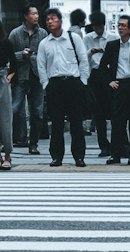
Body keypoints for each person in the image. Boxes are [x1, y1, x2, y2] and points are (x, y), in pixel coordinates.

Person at [36, 6, 89, 166]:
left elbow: (84, 61)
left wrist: (83, 82)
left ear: (60, 20)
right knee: (57, 123)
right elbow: (41, 67)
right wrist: (46, 85)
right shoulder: (44, 43)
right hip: (55, 85)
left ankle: (79, 156)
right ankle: (56, 156)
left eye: (53, 18)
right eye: (47, 19)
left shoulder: (74, 38)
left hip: (73, 84)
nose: (50, 21)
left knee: (76, 122)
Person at [99, 13, 130, 164]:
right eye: (119, 25)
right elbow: (102, 66)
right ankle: (116, 154)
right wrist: (109, 81)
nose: (120, 28)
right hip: (119, 86)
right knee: (117, 122)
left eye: (123, 26)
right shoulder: (112, 46)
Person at [10, 4, 44, 153]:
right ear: (26, 16)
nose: (36, 16)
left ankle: (33, 144)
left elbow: (46, 55)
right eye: (33, 14)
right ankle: (12, 139)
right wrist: (20, 55)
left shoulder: (42, 33)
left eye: (37, 14)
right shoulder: (15, 33)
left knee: (37, 112)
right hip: (20, 77)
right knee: (15, 110)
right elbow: (8, 56)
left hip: (37, 77)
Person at [82, 11, 111, 154]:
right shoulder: (87, 38)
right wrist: (90, 52)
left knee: (114, 110)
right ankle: (103, 145)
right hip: (94, 74)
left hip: (108, 74)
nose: (97, 29)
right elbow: (82, 58)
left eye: (99, 26)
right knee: (98, 112)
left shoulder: (112, 37)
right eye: (95, 26)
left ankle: (120, 144)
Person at [0, 23, 14, 169]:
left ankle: (8, 155)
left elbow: (14, 64)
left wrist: (8, 78)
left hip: (2, 78)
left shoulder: (5, 41)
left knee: (5, 119)